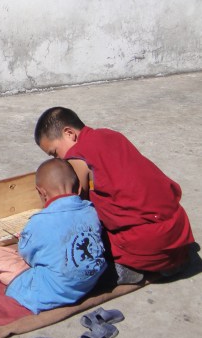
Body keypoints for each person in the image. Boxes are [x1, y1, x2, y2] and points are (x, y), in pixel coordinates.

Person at [34, 107, 194, 279]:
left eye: (55, 153)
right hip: (179, 231)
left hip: (151, 245)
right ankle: (169, 263)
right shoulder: (111, 135)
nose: (58, 160)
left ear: (69, 133)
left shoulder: (77, 156)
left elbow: (71, 208)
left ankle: (127, 270)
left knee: (82, 246)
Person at [0, 159, 106, 314]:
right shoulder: (90, 211)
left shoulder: (39, 221)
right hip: (90, 281)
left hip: (54, 291)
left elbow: (26, 254)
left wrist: (25, 240)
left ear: (41, 192)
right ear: (80, 188)